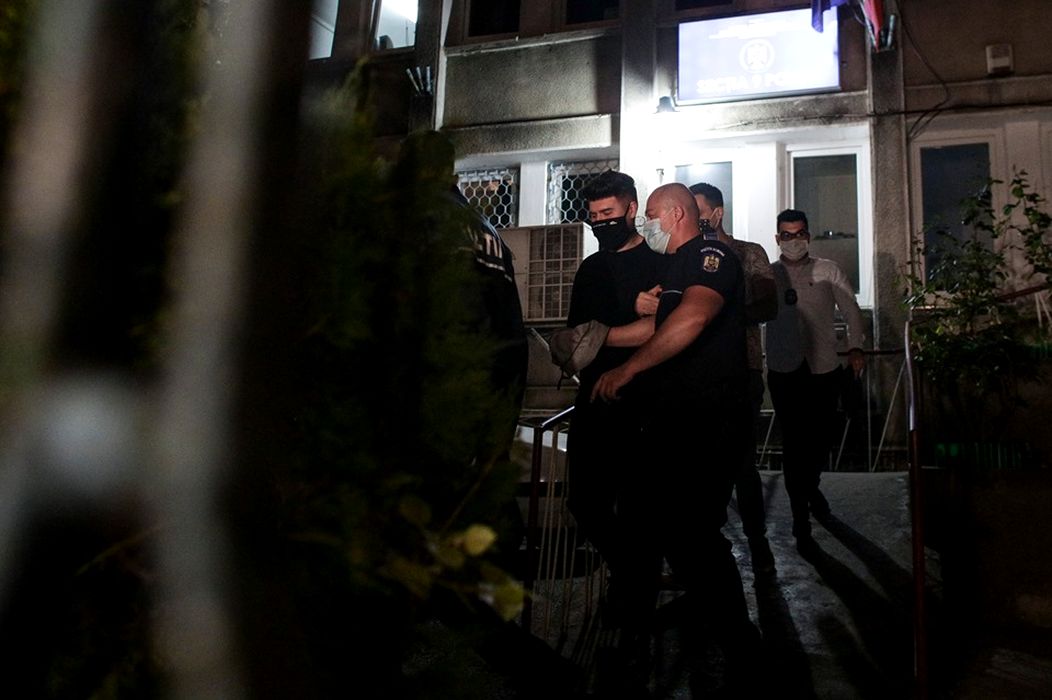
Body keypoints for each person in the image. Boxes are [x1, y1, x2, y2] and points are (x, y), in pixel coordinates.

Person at [593, 183, 761, 695]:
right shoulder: (673, 270)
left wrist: (627, 370)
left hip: (707, 421)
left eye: (650, 215)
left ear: (675, 214)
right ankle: (635, 639)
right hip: (674, 422)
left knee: (693, 535)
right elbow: (656, 327)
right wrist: (598, 338)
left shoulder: (711, 256)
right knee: (643, 524)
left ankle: (740, 648)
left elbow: (693, 318)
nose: (645, 225)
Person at [562, 170, 666, 583]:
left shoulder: (660, 263)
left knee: (641, 511)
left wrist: (601, 334)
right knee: (584, 502)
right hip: (593, 403)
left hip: (644, 407)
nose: (600, 222)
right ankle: (632, 574)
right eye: (594, 216)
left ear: (631, 209)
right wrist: (628, 321)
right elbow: (573, 339)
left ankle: (634, 590)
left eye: (608, 213)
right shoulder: (591, 269)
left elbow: (662, 331)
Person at [764, 208, 866, 553]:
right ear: (778, 238)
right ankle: (800, 518)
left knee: (821, 439)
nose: (794, 241)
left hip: (823, 366)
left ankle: (811, 487)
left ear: (808, 235)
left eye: (799, 234)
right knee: (794, 443)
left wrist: (855, 346)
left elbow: (851, 310)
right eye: (787, 235)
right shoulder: (768, 275)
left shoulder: (828, 269)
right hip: (784, 369)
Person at [689, 182, 778, 573]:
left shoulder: (748, 253)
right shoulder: (688, 256)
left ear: (717, 213)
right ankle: (709, 552)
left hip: (743, 370)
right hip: (696, 375)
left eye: (698, 212)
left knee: (742, 465)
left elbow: (768, 304)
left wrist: (721, 309)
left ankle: (758, 546)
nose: (694, 220)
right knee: (700, 466)